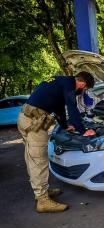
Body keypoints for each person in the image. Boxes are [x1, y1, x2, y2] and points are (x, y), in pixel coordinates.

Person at [17, 72, 96, 213]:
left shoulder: (59, 81)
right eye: (84, 89)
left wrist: (66, 126)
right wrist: (83, 130)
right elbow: (72, 107)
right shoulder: (69, 84)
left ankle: (42, 192)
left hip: (25, 119)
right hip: (35, 124)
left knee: (32, 159)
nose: (82, 91)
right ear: (83, 84)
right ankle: (42, 200)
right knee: (39, 161)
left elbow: (59, 108)